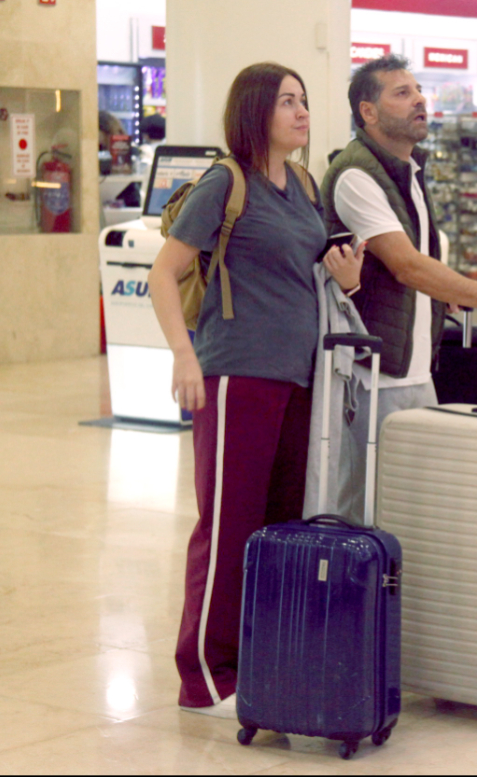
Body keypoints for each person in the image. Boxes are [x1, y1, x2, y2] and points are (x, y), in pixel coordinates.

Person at [147, 62, 365, 716]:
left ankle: (259, 659)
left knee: (276, 526)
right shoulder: (225, 181)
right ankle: (203, 675)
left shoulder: (301, 183)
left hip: (297, 376)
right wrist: (184, 358)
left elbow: (311, 273)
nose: (302, 113)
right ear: (254, 113)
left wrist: (346, 280)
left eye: (303, 101)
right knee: (227, 525)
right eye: (288, 102)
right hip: (235, 374)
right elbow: (164, 274)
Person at [323, 55, 477, 521]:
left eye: (418, 90)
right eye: (401, 93)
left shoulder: (407, 171)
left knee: (413, 506)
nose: (419, 100)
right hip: (372, 374)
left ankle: (397, 593)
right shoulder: (356, 175)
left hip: (413, 369)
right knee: (361, 506)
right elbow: (408, 267)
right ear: (368, 111)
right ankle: (351, 594)